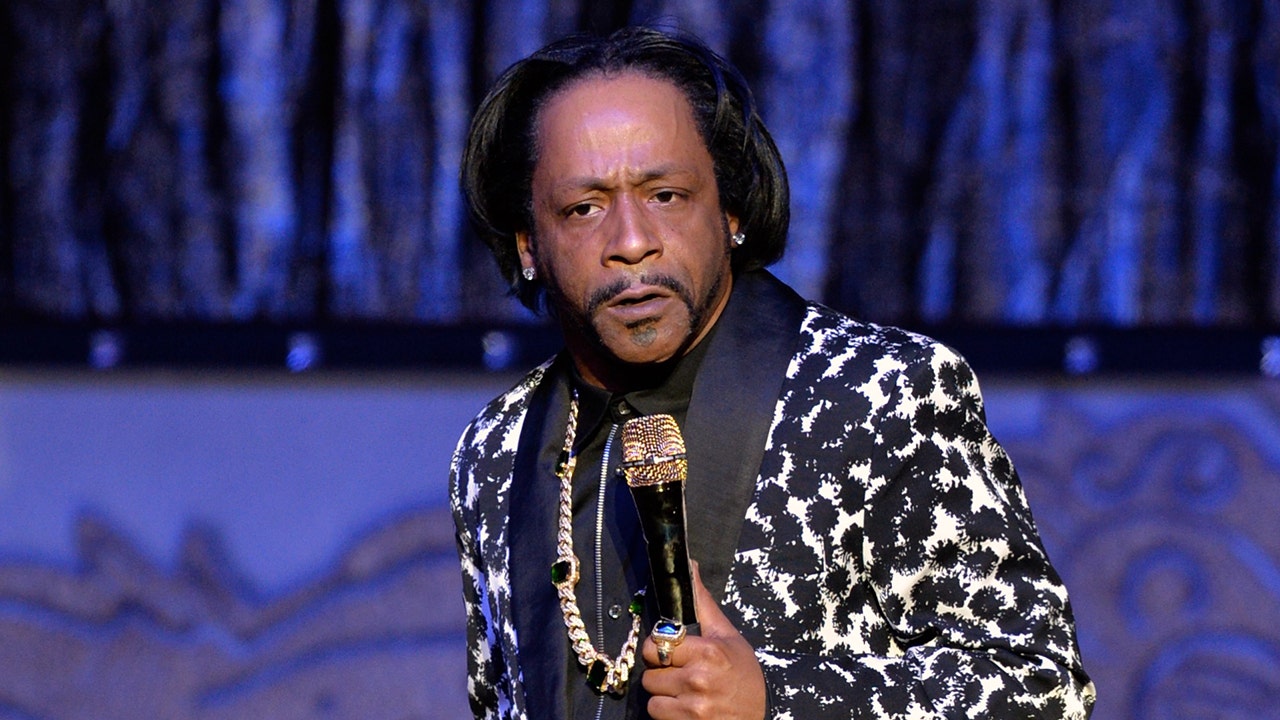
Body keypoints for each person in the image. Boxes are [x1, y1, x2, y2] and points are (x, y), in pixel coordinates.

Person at [450, 25, 1095, 720]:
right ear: (529, 246)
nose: (631, 242)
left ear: (730, 211)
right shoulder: (496, 449)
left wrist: (775, 699)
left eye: (665, 195)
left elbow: (1041, 687)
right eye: (584, 208)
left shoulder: (877, 393)